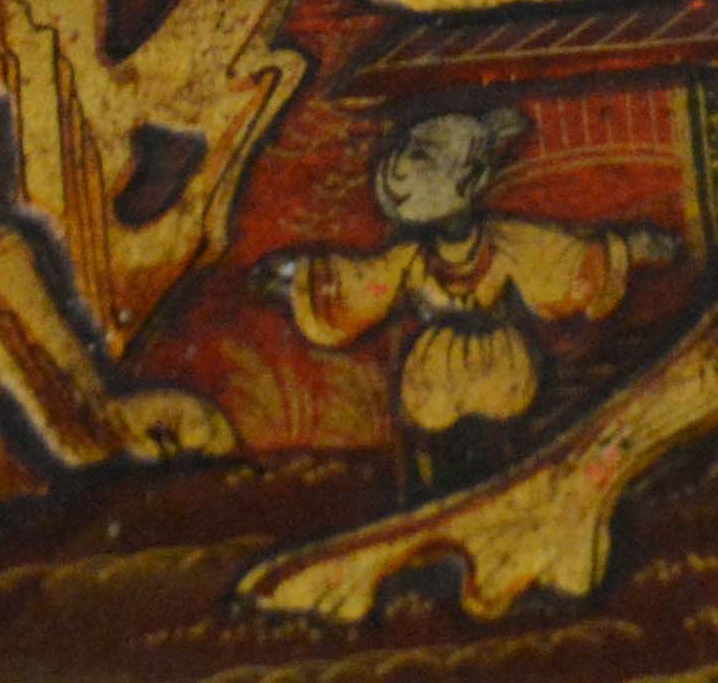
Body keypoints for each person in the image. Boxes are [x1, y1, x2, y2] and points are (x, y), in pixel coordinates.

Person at [265, 104, 674, 497]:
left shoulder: (504, 240)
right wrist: (299, 278)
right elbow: (363, 282)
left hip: (499, 365)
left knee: (505, 459)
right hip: (436, 373)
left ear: (473, 182)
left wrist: (629, 248)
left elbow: (563, 263)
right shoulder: (411, 258)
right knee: (436, 456)